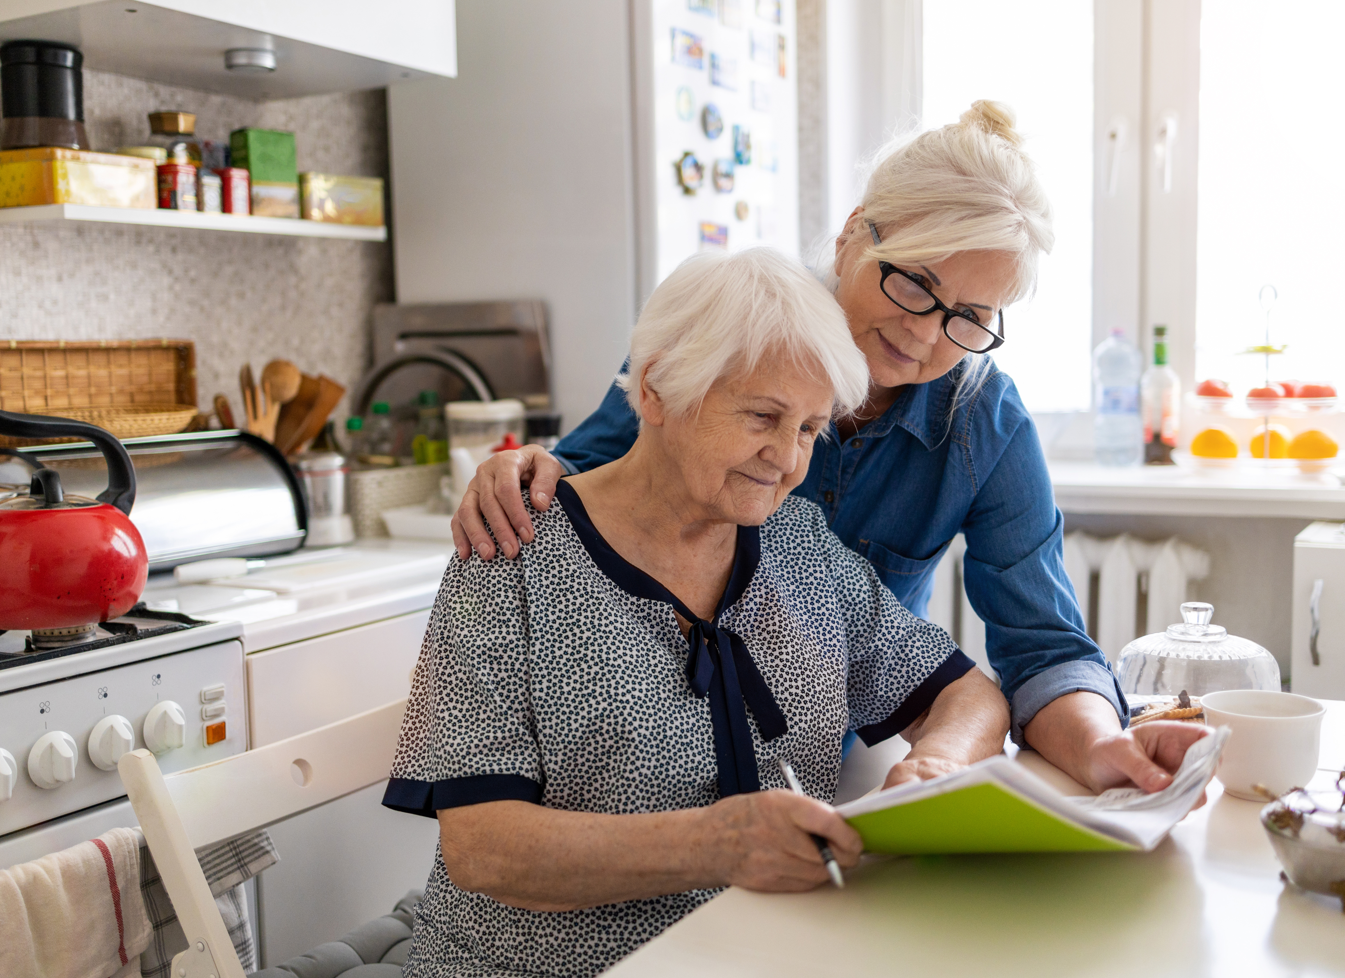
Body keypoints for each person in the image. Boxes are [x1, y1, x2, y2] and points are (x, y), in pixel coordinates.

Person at [451, 101, 1207, 795]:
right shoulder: (728, 333)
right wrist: (522, 469)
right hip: (639, 764)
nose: (923, 332)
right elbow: (585, 484)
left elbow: (1043, 649)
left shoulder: (985, 423)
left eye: (969, 316)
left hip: (825, 763)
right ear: (854, 235)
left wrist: (1104, 746)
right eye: (915, 282)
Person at [384, 248, 1015, 977]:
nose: (785, 459)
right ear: (656, 391)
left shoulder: (797, 543)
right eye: (762, 416)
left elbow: (967, 694)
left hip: (759, 957)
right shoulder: (513, 552)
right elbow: (483, 848)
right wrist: (714, 845)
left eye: (810, 429)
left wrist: (933, 767)